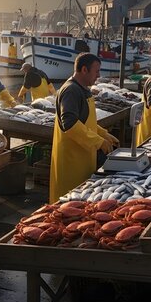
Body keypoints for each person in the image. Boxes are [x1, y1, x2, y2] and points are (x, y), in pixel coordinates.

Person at [49, 53, 119, 203]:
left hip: (83, 156)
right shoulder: (71, 91)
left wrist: (104, 134)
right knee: (67, 204)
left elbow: (86, 122)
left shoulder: (83, 89)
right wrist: (98, 142)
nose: (98, 75)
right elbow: (70, 124)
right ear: (84, 70)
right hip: (71, 161)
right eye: (96, 71)